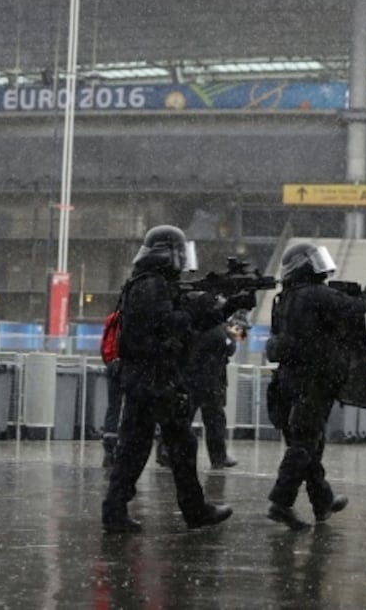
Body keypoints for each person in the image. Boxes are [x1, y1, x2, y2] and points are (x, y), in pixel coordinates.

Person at [101, 225, 251, 533]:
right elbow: (165, 326)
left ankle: (120, 510)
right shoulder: (152, 286)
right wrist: (199, 308)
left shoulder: (152, 284)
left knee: (148, 446)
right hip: (153, 378)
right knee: (165, 446)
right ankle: (191, 510)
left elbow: (186, 322)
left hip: (149, 378)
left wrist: (226, 307)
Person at [263, 242, 366, 529]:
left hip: (288, 380)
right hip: (313, 382)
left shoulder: (286, 298)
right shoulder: (316, 294)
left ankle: (323, 502)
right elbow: (355, 309)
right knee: (305, 444)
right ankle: (280, 503)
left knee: (309, 444)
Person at [156, 309, 248, 469]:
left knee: (182, 418)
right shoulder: (218, 331)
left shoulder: (193, 326)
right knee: (214, 421)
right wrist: (231, 336)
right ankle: (218, 457)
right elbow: (229, 348)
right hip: (209, 383)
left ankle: (167, 452)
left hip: (191, 380)